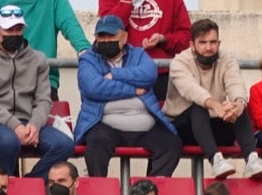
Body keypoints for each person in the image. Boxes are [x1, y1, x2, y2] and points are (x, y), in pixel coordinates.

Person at [73, 16, 183, 179]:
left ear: (124, 37)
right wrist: (133, 89)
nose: (105, 41)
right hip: (105, 124)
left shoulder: (138, 54)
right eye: (101, 37)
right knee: (95, 142)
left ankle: (148, 192)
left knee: (172, 143)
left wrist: (115, 74)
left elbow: (149, 75)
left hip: (146, 126)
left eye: (111, 36)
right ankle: (100, 194)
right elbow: (93, 87)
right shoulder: (88, 59)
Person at [0, 5, 73, 177]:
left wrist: (34, 124)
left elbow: (44, 100)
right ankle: (4, 192)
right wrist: (14, 125)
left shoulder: (38, 59)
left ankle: (30, 184)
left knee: (64, 144)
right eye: (9, 30)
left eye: (18, 29)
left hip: (29, 122)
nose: (14, 34)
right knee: (8, 142)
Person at [166, 20, 262, 179]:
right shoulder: (179, 62)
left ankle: (252, 160)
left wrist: (238, 105)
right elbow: (191, 90)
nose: (208, 47)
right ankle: (216, 161)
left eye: (213, 42)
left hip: (214, 125)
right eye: (202, 42)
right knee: (198, 107)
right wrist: (214, 105)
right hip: (180, 129)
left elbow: (235, 84)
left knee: (239, 106)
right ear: (192, 45)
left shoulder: (227, 59)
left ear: (219, 43)